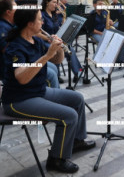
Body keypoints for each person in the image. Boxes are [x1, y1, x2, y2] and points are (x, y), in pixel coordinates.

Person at [1, 9, 95, 173]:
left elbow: (57, 60)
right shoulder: (15, 47)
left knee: (77, 99)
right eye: (39, 20)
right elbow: (22, 78)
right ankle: (56, 159)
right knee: (69, 115)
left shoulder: (34, 40)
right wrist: (46, 56)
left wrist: (58, 48)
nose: (42, 22)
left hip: (38, 91)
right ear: (30, 24)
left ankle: (77, 141)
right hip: (18, 100)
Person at [0, 0, 60, 88]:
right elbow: (6, 49)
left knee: (53, 67)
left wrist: (59, 49)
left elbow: (56, 59)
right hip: (11, 64)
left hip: (26, 58)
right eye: (16, 8)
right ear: (8, 12)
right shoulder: (2, 27)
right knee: (50, 74)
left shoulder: (12, 24)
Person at [40, 0, 82, 84]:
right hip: (45, 41)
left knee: (70, 49)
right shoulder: (41, 14)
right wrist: (48, 38)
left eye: (57, 3)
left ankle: (78, 72)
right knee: (57, 50)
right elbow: (37, 33)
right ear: (47, 2)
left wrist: (64, 23)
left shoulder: (55, 15)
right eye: (54, 2)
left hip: (56, 39)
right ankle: (56, 75)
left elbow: (59, 28)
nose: (56, 5)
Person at [88, 0, 124, 68]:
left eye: (102, 4)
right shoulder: (91, 14)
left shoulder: (105, 12)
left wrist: (110, 21)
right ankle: (99, 60)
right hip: (95, 33)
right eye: (99, 4)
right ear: (94, 5)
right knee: (104, 41)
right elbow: (91, 29)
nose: (102, 5)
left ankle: (120, 60)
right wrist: (102, 33)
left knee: (120, 39)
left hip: (105, 31)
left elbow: (108, 19)